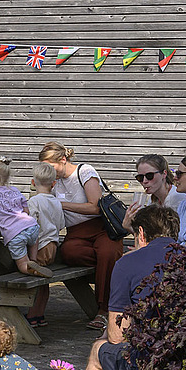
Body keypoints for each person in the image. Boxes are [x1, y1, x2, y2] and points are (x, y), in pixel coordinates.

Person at [66, 204, 182, 370]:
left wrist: (106, 336)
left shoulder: (128, 263)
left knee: (99, 351)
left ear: (140, 233)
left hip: (153, 369)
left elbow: (118, 335)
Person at [39, 141, 123, 329]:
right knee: (68, 252)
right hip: (76, 233)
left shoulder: (84, 172)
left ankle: (103, 310)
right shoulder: (54, 181)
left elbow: (95, 206)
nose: (48, 171)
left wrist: (61, 205)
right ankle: (112, 267)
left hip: (102, 228)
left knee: (108, 253)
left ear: (62, 159)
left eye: (50, 167)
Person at [0, 157, 51, 278]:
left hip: (15, 233)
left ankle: (30, 268)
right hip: (31, 225)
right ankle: (34, 260)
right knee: (33, 240)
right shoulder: (14, 190)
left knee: (22, 264)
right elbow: (26, 210)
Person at [25, 162, 65, 327]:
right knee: (44, 281)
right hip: (53, 246)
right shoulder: (56, 202)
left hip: (39, 246)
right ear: (54, 183)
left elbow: (31, 225)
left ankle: (33, 314)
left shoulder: (34, 202)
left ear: (33, 183)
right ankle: (40, 314)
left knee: (35, 279)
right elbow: (61, 224)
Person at [126, 153, 186, 220]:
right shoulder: (154, 200)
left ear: (164, 174)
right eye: (140, 177)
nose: (144, 181)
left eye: (149, 176)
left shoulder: (177, 198)